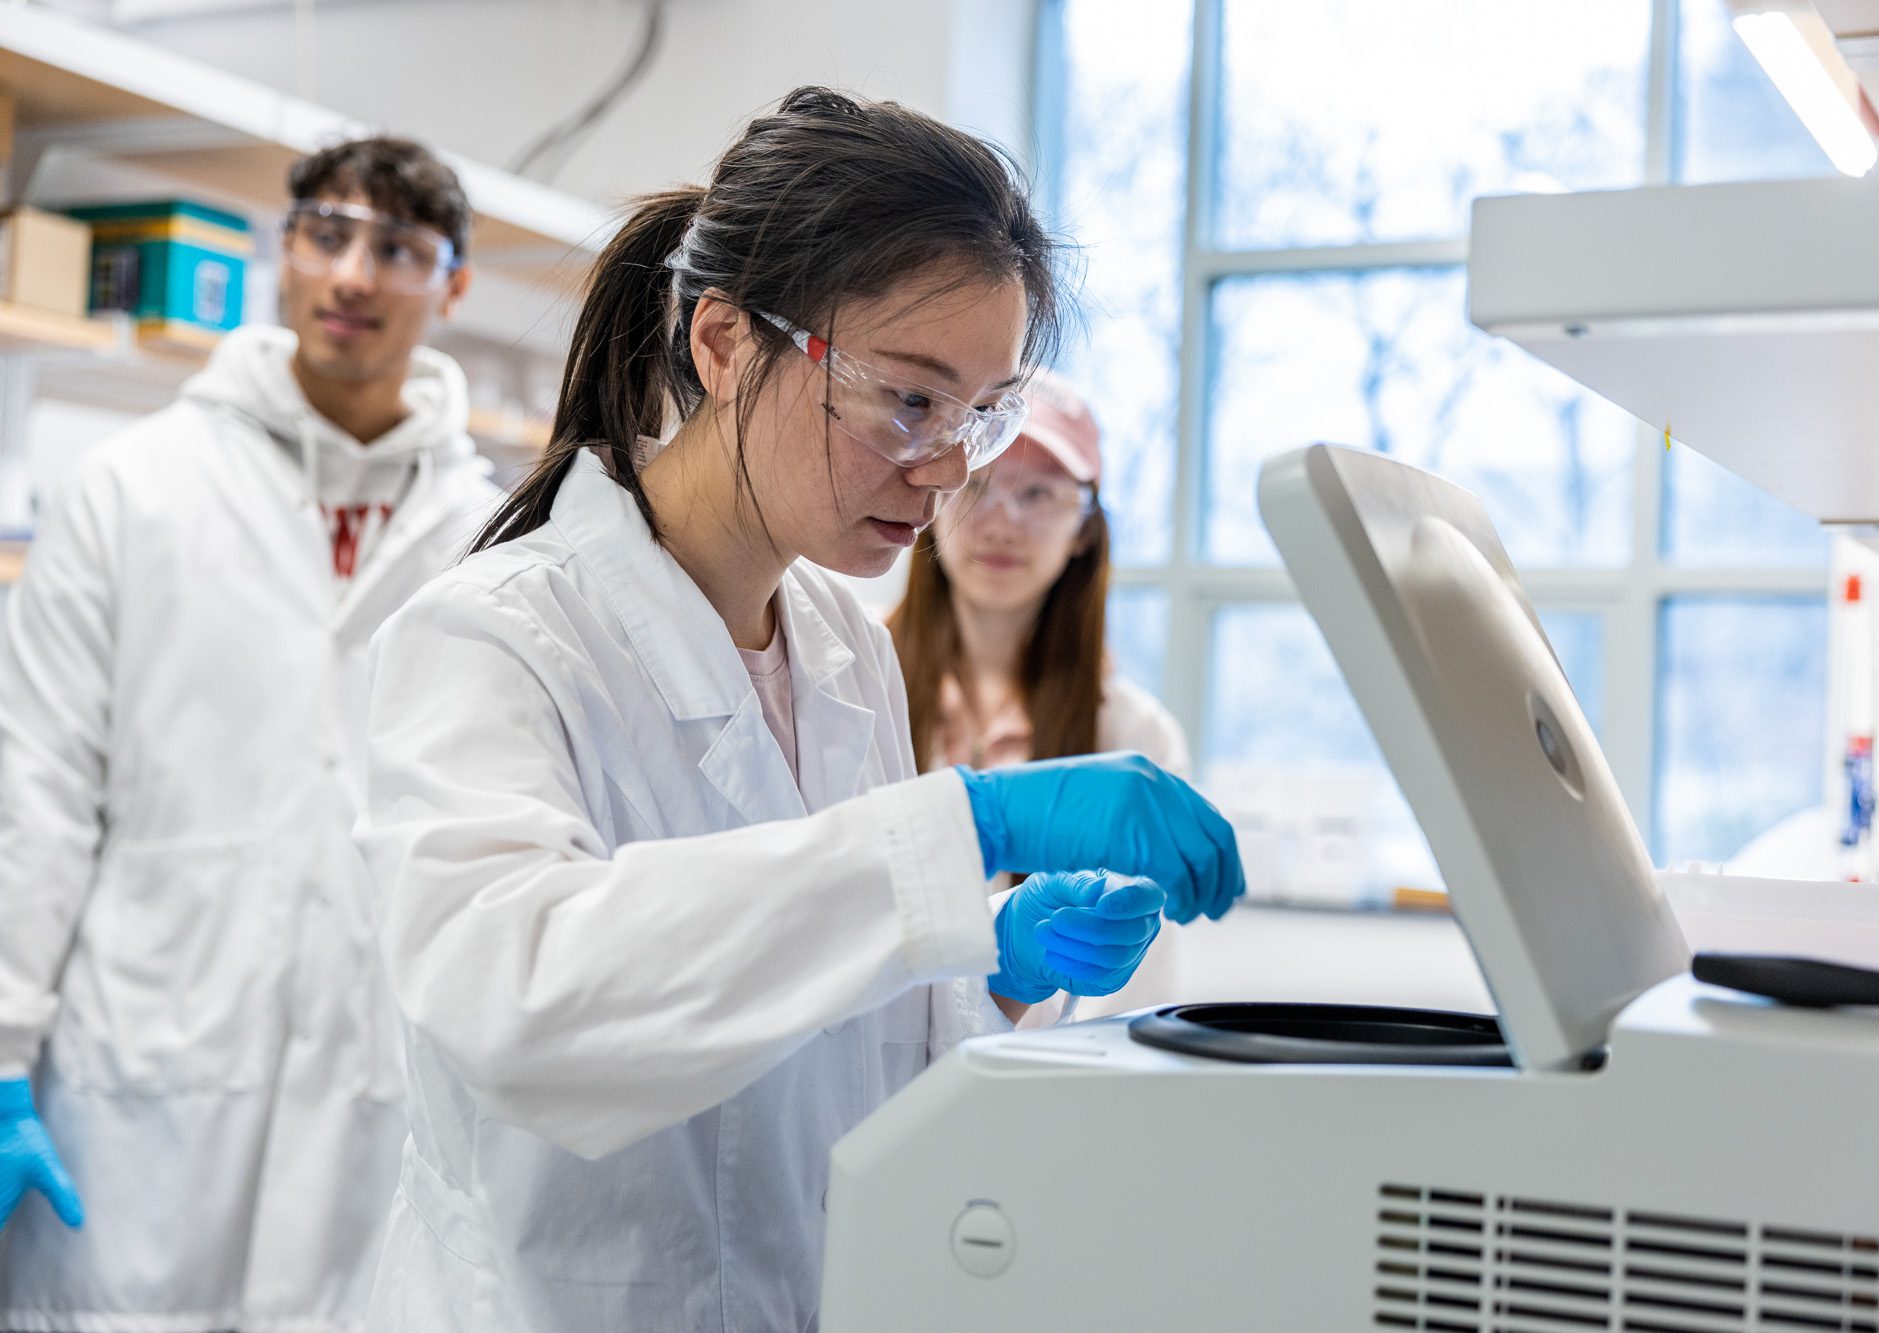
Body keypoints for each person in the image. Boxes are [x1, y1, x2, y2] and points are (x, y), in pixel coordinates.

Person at [356, 87, 1244, 1331]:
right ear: (723, 344)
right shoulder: (493, 637)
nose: (945, 469)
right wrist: (963, 830)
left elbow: (835, 1022)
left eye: (981, 414)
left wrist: (991, 966)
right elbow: (522, 1001)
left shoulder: (838, 650)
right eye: (908, 398)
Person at [0, 137, 498, 1330]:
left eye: (398, 250)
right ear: (285, 249)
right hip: (137, 1071)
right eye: (326, 233)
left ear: (454, 286)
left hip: (376, 1090)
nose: (353, 276)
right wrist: (3, 1047)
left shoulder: (486, 544)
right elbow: (38, 785)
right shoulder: (133, 489)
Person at [889, 375, 1193, 1017]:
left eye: (1038, 493)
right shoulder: (853, 685)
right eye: (976, 483)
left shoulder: (1136, 736)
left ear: (1085, 527)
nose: (1003, 522)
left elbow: (1130, 1005)